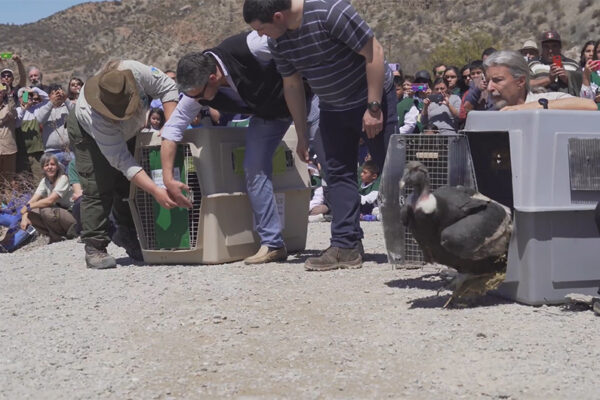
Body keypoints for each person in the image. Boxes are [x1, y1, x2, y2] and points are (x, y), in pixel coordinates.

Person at [243, 0, 398, 271]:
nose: (261, 36)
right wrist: (302, 133)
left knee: (393, 168)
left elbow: (374, 52)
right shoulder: (279, 41)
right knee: (337, 173)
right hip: (332, 107)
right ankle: (346, 246)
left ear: (278, 16)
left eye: (262, 29)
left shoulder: (330, 13)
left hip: (371, 99)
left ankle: (418, 241)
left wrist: (373, 107)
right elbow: (292, 85)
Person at [161, 31, 308, 265]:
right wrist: (168, 178)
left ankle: (346, 241)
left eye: (197, 96)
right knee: (254, 168)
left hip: (309, 96)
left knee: (332, 160)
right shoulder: (197, 94)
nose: (196, 102)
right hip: (270, 115)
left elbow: (296, 40)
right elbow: (170, 133)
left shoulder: (251, 46)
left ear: (212, 77)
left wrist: (303, 131)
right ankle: (273, 244)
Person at [67, 60, 179, 269]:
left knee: (128, 186)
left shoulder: (136, 71)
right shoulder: (94, 117)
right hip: (88, 136)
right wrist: (157, 190)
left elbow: (168, 87)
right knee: (98, 185)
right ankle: (95, 246)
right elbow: (123, 162)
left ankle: (128, 235)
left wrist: (172, 127)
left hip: (129, 131)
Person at [483, 50, 597, 111]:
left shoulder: (545, 100)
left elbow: (590, 106)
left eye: (497, 80)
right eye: (488, 81)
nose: (490, 88)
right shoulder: (490, 113)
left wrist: (530, 108)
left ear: (520, 81)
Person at [18, 153, 77, 243]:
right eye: (46, 165)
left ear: (57, 166)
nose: (50, 167)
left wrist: (28, 207)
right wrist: (24, 216)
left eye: (52, 164)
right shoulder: (45, 181)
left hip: (72, 216)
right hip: (60, 214)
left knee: (45, 210)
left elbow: (51, 200)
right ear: (43, 168)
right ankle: (53, 235)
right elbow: (33, 200)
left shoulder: (63, 178)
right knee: (32, 213)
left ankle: (59, 237)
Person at [529, 31, 582, 96]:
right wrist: (549, 79)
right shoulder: (532, 64)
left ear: (560, 47)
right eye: (546, 47)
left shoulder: (573, 65)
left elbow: (584, 85)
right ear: (542, 48)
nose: (550, 50)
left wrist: (568, 78)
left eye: (554, 46)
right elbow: (525, 84)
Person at [34, 84, 74, 168]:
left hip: (69, 150)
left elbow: (76, 115)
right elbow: (40, 120)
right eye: (54, 93)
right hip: (51, 152)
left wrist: (65, 99)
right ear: (49, 96)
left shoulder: (68, 106)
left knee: (72, 177)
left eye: (59, 92)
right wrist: (51, 102)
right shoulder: (43, 108)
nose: (57, 95)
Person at [16, 86, 48, 181]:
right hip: (22, 152)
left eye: (30, 95)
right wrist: (24, 108)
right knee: (24, 181)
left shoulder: (36, 109)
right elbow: (17, 123)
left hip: (36, 151)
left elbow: (48, 100)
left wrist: (34, 89)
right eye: (25, 95)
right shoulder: (17, 110)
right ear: (19, 98)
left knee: (39, 180)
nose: (29, 97)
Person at [0, 84, 17, 181]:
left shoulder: (8, 108)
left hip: (9, 150)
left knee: (9, 181)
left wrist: (10, 94)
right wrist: (2, 120)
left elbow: (13, 112)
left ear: (2, 94)